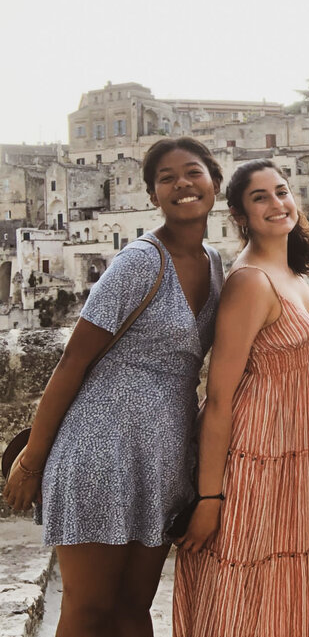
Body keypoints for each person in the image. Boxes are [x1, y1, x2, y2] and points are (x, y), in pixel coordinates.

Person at [1, 138, 224, 637]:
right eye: (166, 178)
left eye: (193, 172)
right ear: (152, 195)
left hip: (162, 458)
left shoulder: (214, 264)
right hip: (98, 450)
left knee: (132, 610)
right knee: (88, 611)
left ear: (214, 181)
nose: (182, 184)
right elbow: (71, 363)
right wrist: (32, 459)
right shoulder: (139, 262)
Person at [172, 159, 309, 636]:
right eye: (260, 197)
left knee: (281, 587)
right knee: (246, 592)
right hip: (256, 453)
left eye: (282, 191)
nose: (276, 203)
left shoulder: (288, 270)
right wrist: (209, 497)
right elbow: (220, 396)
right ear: (240, 214)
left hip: (294, 452)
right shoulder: (250, 282)